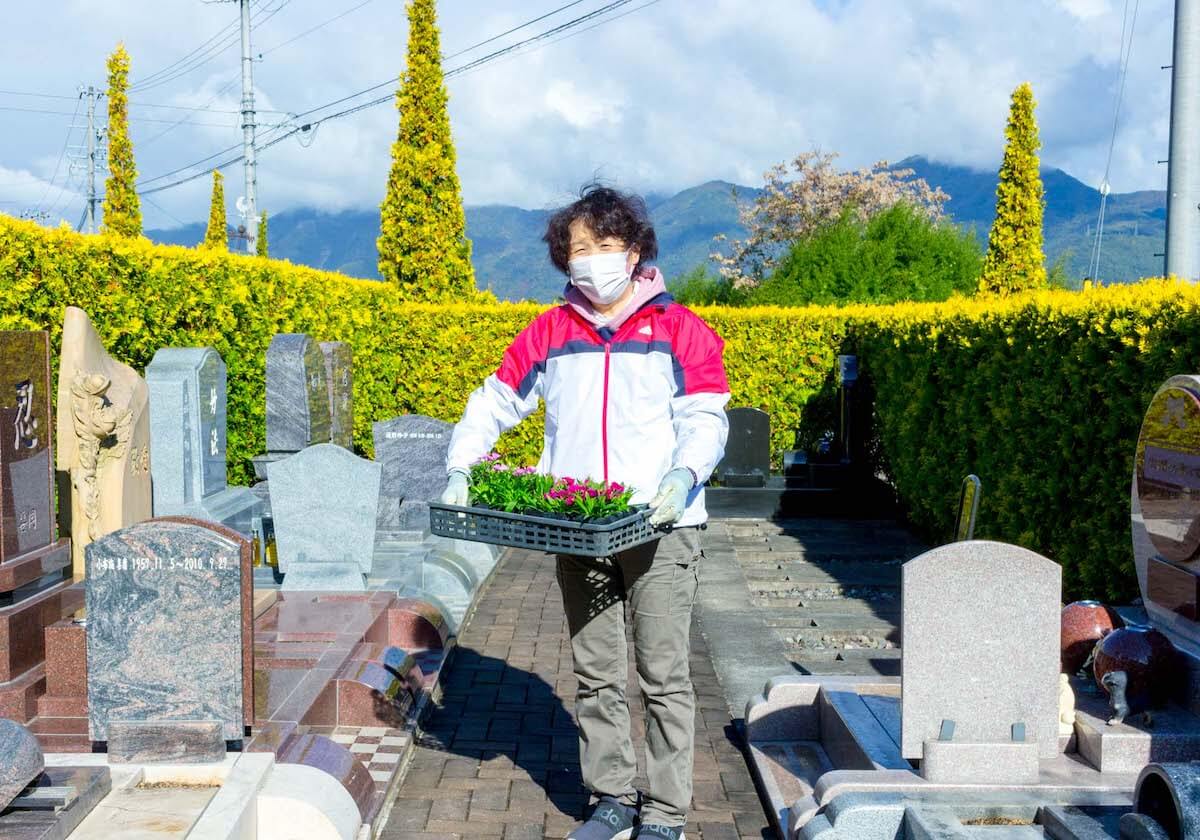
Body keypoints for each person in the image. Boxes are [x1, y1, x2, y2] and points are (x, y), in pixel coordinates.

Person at [442, 184, 730, 840]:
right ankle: (612, 800)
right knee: (597, 674)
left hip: (662, 526)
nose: (592, 259)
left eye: (604, 245)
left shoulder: (680, 329)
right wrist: (461, 461)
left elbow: (704, 417)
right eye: (579, 248)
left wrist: (685, 475)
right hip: (578, 527)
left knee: (662, 674)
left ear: (632, 251)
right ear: (563, 260)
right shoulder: (551, 332)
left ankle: (664, 816)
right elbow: (495, 399)